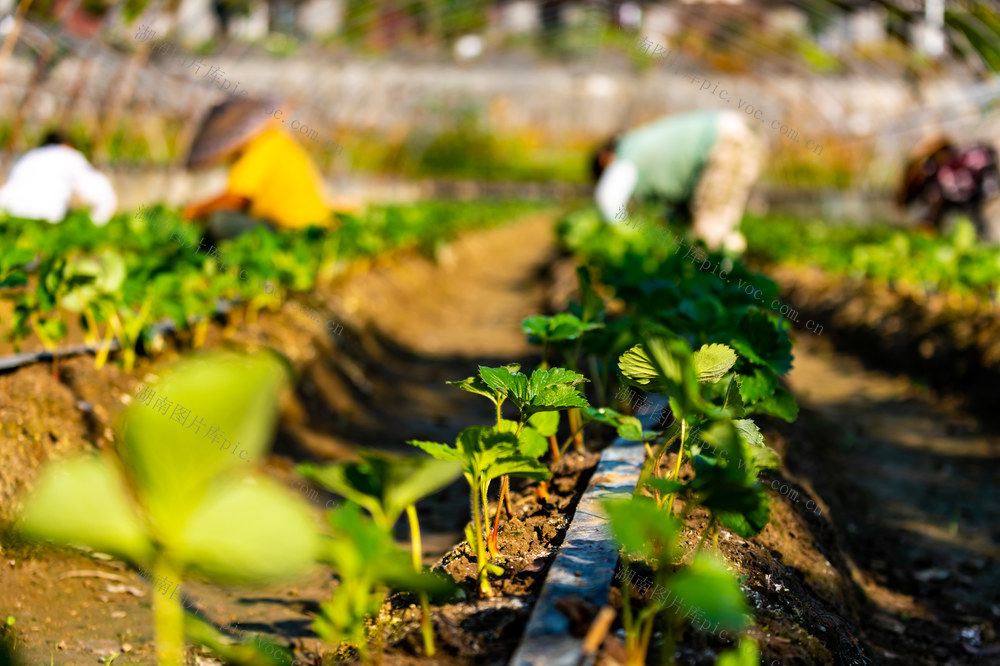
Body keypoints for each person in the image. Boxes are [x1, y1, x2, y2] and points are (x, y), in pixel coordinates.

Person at [591, 110, 765, 253]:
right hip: (738, 134)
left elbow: (608, 199)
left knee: (709, 233)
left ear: (605, 159)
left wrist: (624, 238)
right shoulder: (642, 142)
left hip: (724, 141)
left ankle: (723, 284)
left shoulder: (626, 153)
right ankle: (729, 276)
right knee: (719, 225)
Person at [182, 96, 351, 239]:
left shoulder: (258, 148)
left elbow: (236, 198)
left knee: (219, 222)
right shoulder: (276, 140)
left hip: (292, 230)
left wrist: (195, 211)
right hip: (311, 225)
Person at [896, 133, 1000, 240]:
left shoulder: (950, 170)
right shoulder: (940, 173)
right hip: (974, 202)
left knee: (980, 231)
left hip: (980, 200)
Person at [0, 131, 117, 224]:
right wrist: (96, 223)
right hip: (44, 221)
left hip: (7, 218)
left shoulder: (29, 156)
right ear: (66, 145)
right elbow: (103, 196)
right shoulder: (68, 155)